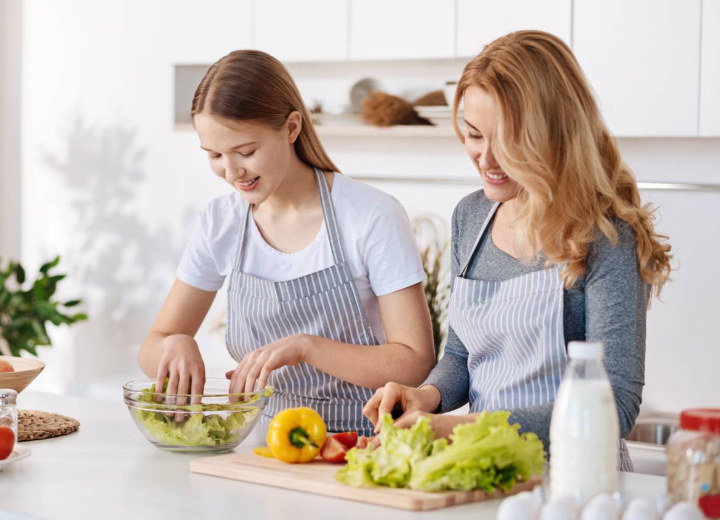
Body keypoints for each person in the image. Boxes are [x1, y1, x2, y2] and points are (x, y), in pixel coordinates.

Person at [363, 30, 672, 469]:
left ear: (553, 134)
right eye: (473, 135)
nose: (486, 159)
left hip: (575, 482)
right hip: (484, 470)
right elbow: (461, 356)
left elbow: (615, 408)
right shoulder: (471, 218)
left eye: (507, 141)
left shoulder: (604, 236)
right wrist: (425, 397)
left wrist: (459, 429)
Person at [138, 50, 435, 435]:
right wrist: (174, 344)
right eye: (214, 155)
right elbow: (152, 347)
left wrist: (308, 347)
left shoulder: (371, 215)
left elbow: (414, 361)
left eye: (246, 152)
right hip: (261, 444)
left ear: (292, 127)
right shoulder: (221, 221)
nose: (231, 172)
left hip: (361, 445)